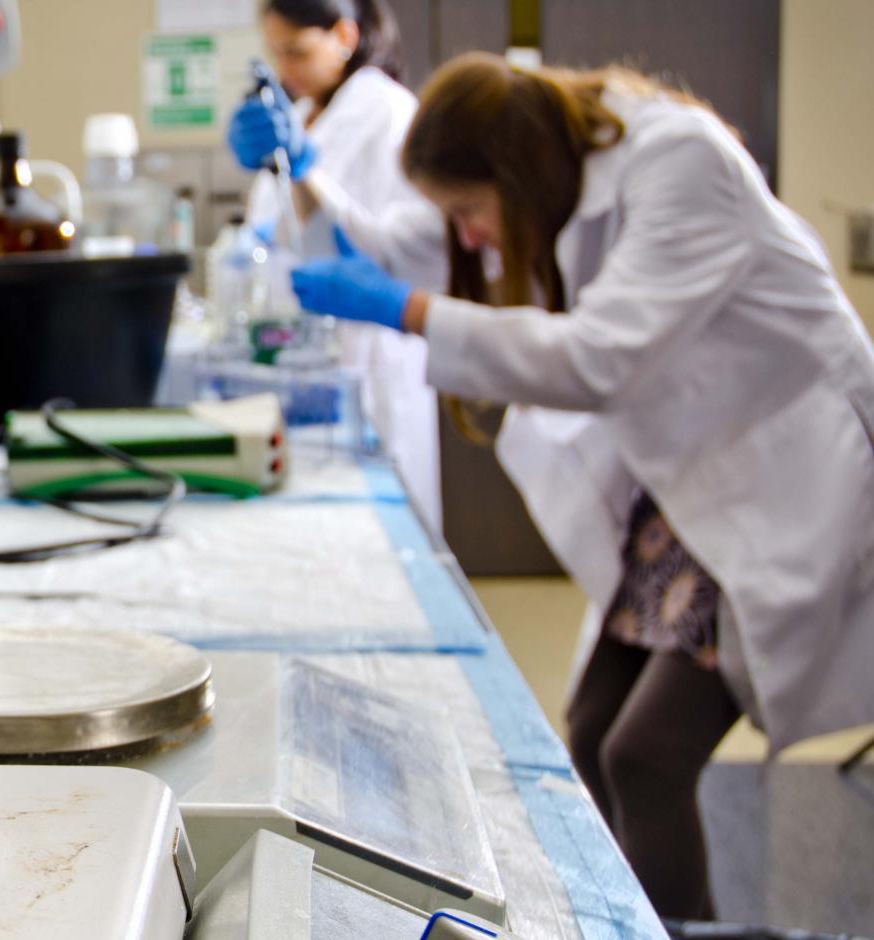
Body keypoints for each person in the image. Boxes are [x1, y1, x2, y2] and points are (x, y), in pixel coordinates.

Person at [290, 52, 874, 920]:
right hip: (693, 482)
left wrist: (408, 313)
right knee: (595, 726)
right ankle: (618, 922)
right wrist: (307, 184)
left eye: (472, 212)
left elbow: (601, 358)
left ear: (512, 174)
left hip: (783, 476)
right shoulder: (561, 183)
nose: (472, 239)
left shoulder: (681, 163)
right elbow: (405, 245)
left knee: (646, 754)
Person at [226, 0, 444, 532]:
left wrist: (304, 172)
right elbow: (277, 228)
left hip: (368, 357)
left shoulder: (387, 111)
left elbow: (391, 246)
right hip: (299, 353)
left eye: (297, 51)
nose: (284, 69)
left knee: (383, 532)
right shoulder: (299, 115)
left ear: (344, 35)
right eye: (275, 52)